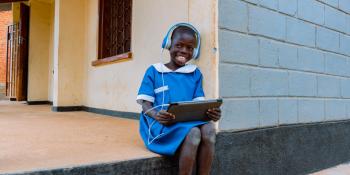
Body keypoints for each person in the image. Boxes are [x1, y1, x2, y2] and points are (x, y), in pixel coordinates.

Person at [136, 23, 221, 175]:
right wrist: (156, 115)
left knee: (209, 129)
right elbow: (145, 105)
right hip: (161, 123)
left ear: (194, 52)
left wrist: (210, 113)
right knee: (194, 133)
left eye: (189, 48)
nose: (184, 51)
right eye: (179, 45)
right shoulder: (155, 71)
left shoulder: (195, 73)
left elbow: (198, 104)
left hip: (186, 122)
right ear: (168, 45)